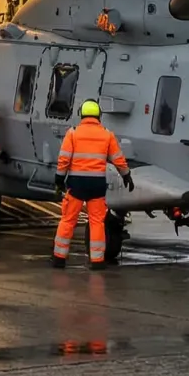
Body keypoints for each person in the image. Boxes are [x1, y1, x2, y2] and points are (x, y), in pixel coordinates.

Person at [53, 100, 133, 268]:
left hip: (76, 184)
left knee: (68, 220)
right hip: (97, 185)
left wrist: (59, 180)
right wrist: (126, 175)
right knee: (97, 222)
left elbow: (64, 159)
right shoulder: (107, 134)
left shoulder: (73, 133)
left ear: (81, 114)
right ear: (99, 116)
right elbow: (118, 159)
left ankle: (59, 258)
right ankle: (97, 260)